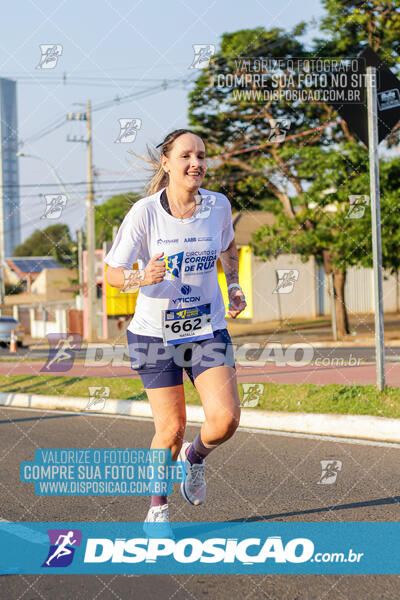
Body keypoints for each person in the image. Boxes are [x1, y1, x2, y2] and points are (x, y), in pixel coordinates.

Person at [105, 129, 246, 533]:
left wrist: (233, 285)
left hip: (205, 327)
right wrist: (139, 277)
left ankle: (195, 459)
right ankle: (157, 508)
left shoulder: (218, 205)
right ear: (166, 163)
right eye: (186, 155)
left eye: (201, 155)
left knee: (226, 420)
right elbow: (112, 274)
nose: (196, 163)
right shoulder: (144, 213)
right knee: (170, 429)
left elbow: (228, 246)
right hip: (154, 335)